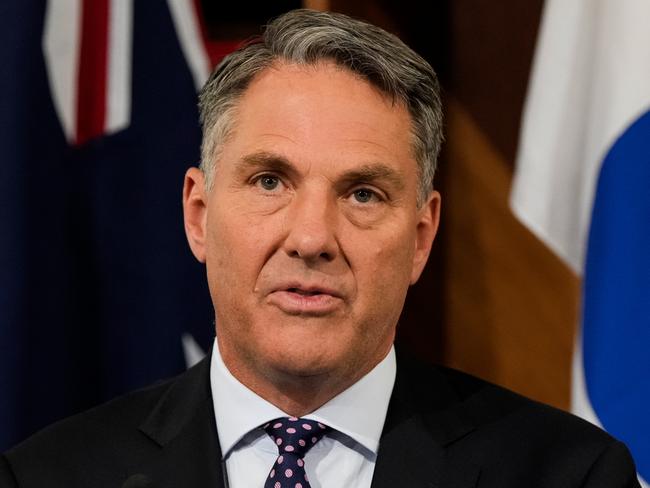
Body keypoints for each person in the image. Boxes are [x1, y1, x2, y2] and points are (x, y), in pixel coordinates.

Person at [0, 8, 640, 488]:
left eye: (362, 194)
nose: (311, 239)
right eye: (270, 181)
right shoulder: (47, 477)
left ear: (421, 238)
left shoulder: (569, 475)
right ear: (199, 216)